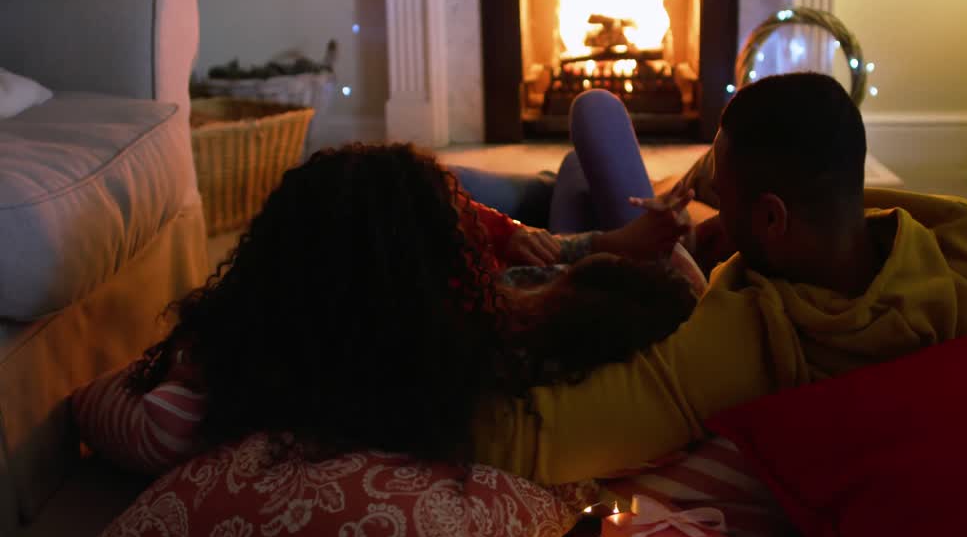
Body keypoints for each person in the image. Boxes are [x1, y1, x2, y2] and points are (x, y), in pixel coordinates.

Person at [471, 72, 967, 484]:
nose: (714, 207)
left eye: (722, 195)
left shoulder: (744, 340)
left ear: (769, 218)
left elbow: (536, 439)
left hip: (632, 288)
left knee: (590, 125)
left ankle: (516, 208)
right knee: (576, 179)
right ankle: (530, 204)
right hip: (734, 240)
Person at [125, 134, 700, 464]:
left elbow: (97, 405)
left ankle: (533, 198)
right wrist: (624, 247)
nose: (468, 236)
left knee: (562, 174)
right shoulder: (480, 335)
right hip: (577, 251)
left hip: (550, 243)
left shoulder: (295, 353)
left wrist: (196, 357)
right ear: (442, 265)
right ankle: (542, 196)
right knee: (583, 149)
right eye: (460, 232)